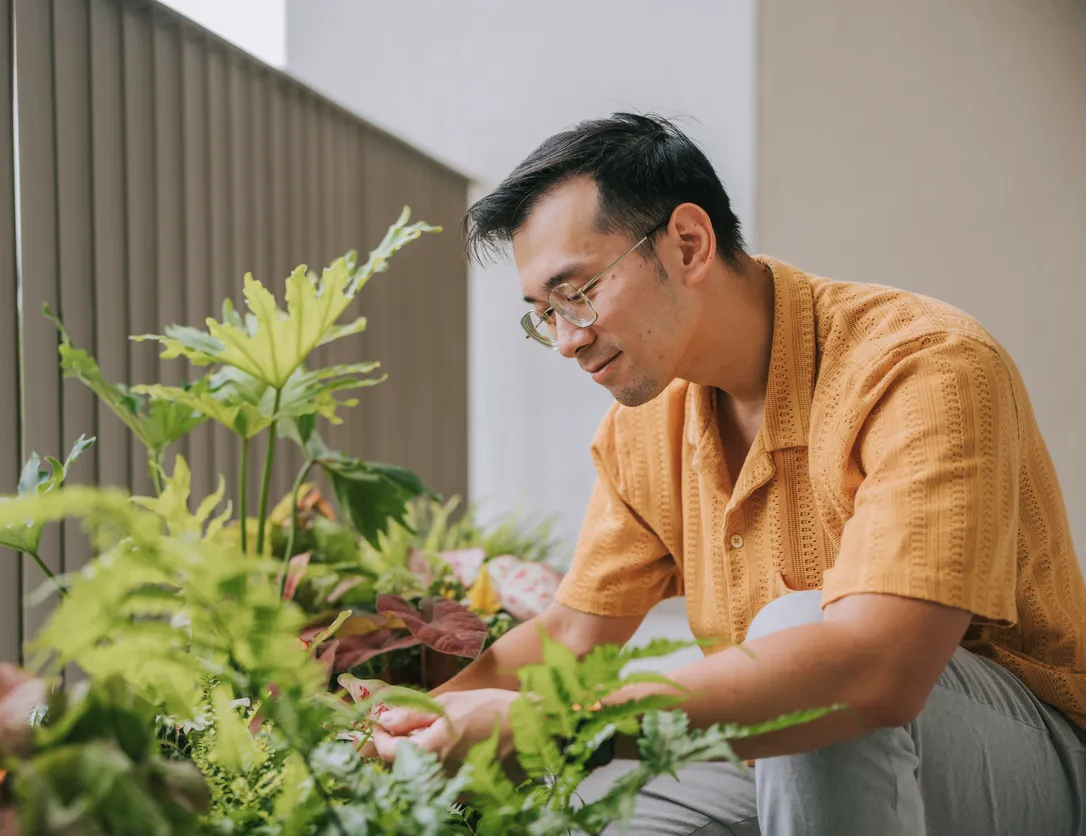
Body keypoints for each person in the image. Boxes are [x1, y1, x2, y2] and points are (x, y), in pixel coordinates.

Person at [369, 113, 1086, 834]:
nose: (565, 340)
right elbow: (572, 635)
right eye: (544, 313)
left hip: (1031, 759)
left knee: (802, 638)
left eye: (578, 292)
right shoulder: (643, 427)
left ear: (688, 242)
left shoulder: (923, 366)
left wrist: (556, 721)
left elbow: (874, 670)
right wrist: (402, 727)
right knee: (589, 817)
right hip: (788, 757)